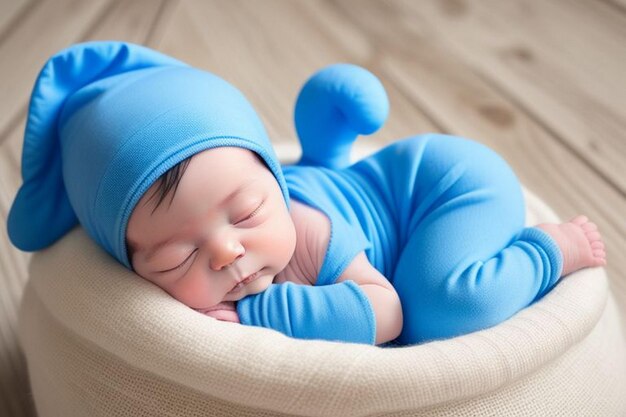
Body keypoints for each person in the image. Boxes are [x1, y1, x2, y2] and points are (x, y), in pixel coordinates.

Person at [7, 41, 606, 346]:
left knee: (442, 308)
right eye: (175, 258)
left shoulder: (310, 232)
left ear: (273, 176)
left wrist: (258, 314)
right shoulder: (242, 228)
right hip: (397, 196)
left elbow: (386, 313)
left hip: (447, 187)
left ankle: (550, 249)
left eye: (247, 212)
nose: (225, 252)